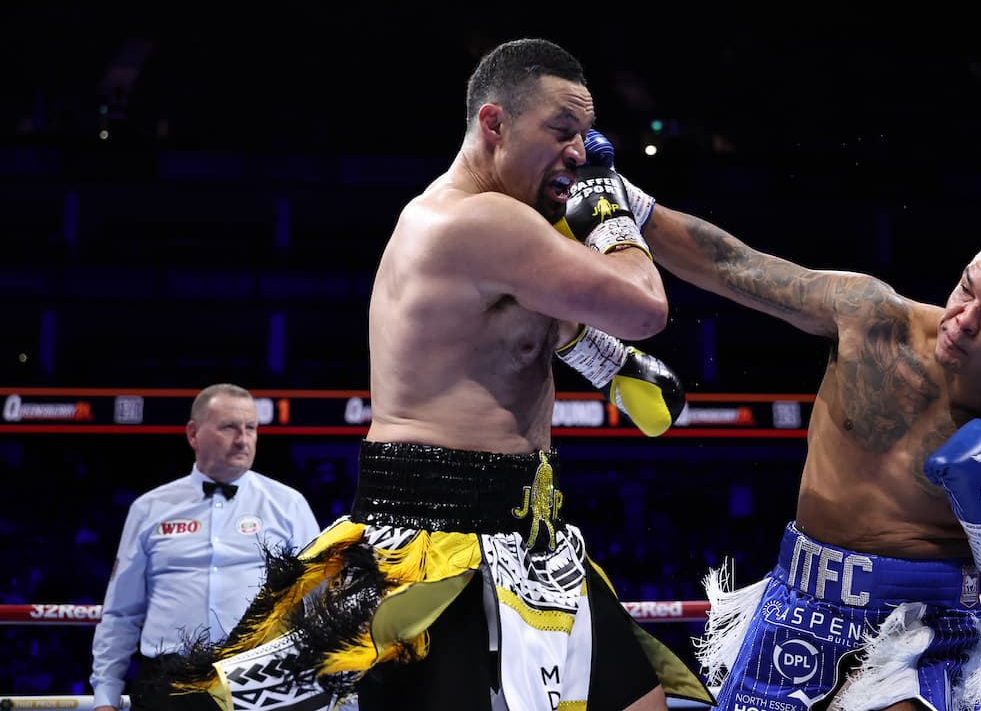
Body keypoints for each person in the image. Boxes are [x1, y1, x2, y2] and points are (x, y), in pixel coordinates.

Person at [164, 39, 709, 711]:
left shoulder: (504, 229)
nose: (578, 153)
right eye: (562, 133)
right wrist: (608, 209)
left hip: (532, 535)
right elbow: (647, 307)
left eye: (586, 138)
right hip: (437, 544)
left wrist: (608, 361)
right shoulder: (478, 219)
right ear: (493, 124)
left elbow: (555, 336)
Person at [582, 130, 981, 711]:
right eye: (966, 289)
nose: (963, 319)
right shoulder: (872, 319)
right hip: (797, 601)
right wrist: (617, 197)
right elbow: (735, 265)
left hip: (917, 637)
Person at [89, 383, 322, 711]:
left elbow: (317, 601)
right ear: (193, 434)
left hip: (261, 677)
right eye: (229, 427)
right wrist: (106, 694)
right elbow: (121, 612)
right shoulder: (150, 508)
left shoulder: (288, 504)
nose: (243, 439)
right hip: (169, 683)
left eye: (251, 428)